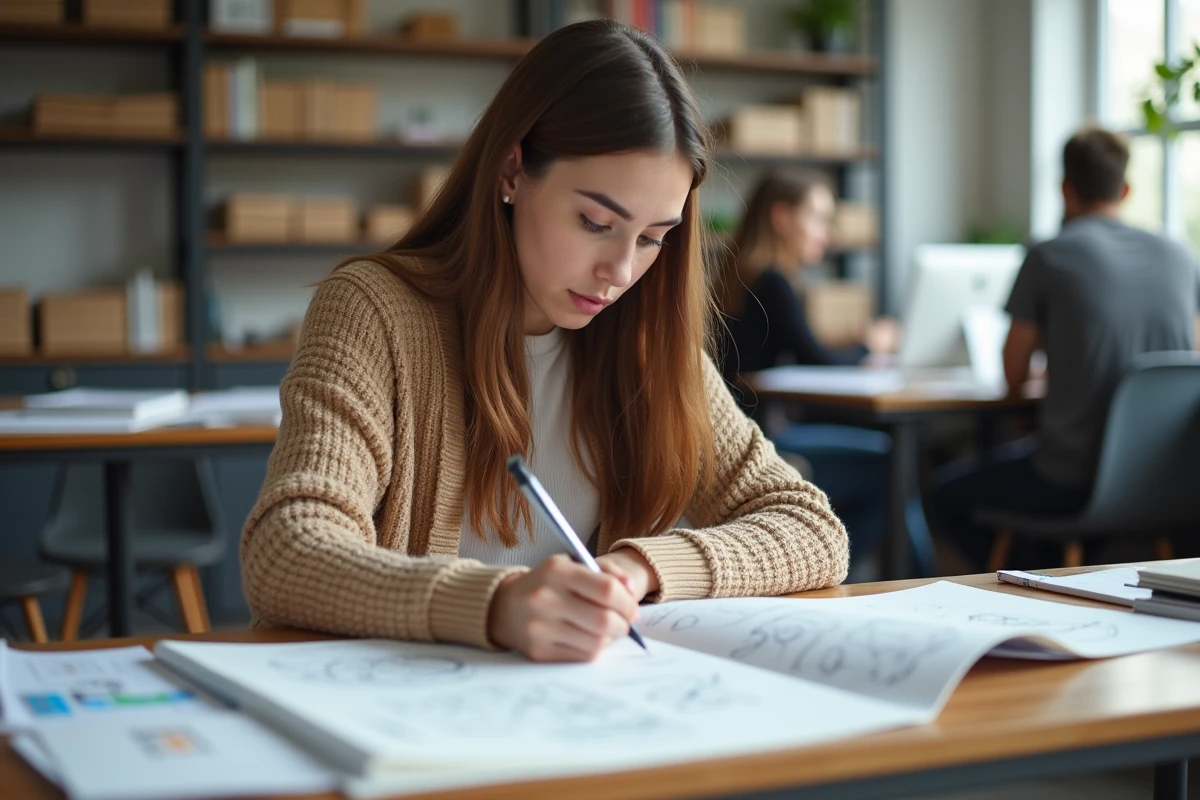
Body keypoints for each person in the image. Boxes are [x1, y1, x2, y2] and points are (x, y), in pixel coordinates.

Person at [240, 20, 849, 664]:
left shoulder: (644, 339)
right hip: (410, 717)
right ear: (512, 170)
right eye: (595, 222)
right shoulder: (374, 311)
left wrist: (639, 569)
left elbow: (811, 528)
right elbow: (287, 547)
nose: (619, 272)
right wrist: (495, 604)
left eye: (651, 238)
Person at [931, 127, 1199, 570]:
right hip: (1168, 480)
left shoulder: (1049, 254)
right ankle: (1043, 567)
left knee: (946, 493)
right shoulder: (1181, 256)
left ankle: (1023, 581)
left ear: (1065, 189)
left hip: (1073, 481)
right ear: (1126, 189)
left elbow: (1013, 373)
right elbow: (1188, 360)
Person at [717, 169, 932, 579]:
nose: (826, 234)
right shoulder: (772, 281)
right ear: (782, 218)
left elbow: (803, 353)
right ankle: (903, 578)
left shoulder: (747, 273)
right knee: (896, 466)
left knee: (890, 473)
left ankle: (850, 575)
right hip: (766, 441)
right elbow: (816, 357)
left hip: (750, 433)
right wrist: (873, 345)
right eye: (817, 218)